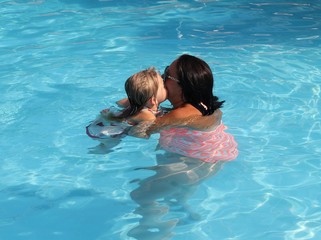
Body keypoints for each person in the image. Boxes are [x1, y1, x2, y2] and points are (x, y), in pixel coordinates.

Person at [130, 54, 238, 163]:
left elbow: (141, 132)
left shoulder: (181, 114)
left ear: (182, 86)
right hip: (216, 150)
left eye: (167, 75)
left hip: (194, 163)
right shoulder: (203, 103)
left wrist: (124, 118)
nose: (162, 77)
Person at [86, 67, 167, 140]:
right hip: (110, 132)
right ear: (153, 100)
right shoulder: (149, 116)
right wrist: (147, 135)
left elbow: (119, 103)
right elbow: (135, 133)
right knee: (106, 147)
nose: (166, 85)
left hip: (102, 123)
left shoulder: (131, 101)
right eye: (164, 86)